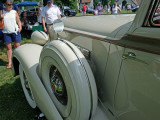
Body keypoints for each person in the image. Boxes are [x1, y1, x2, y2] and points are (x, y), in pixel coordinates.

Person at [0, 0, 22, 69]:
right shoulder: (1, 12)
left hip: (15, 31)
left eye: (11, 4)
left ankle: (20, 60)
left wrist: (20, 27)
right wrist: (0, 17)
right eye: (9, 4)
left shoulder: (14, 12)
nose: (10, 6)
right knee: (8, 48)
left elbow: (18, 21)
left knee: (17, 46)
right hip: (6, 32)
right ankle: (10, 62)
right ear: (5, 5)